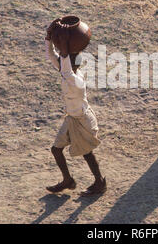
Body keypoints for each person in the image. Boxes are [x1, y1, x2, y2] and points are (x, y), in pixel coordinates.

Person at [44, 21, 106, 196]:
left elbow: (63, 61)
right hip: (72, 118)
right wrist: (48, 38)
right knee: (56, 150)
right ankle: (68, 180)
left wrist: (63, 43)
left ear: (73, 65)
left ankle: (100, 182)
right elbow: (52, 55)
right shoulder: (68, 72)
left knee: (87, 153)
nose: (64, 63)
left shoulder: (74, 79)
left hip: (82, 120)